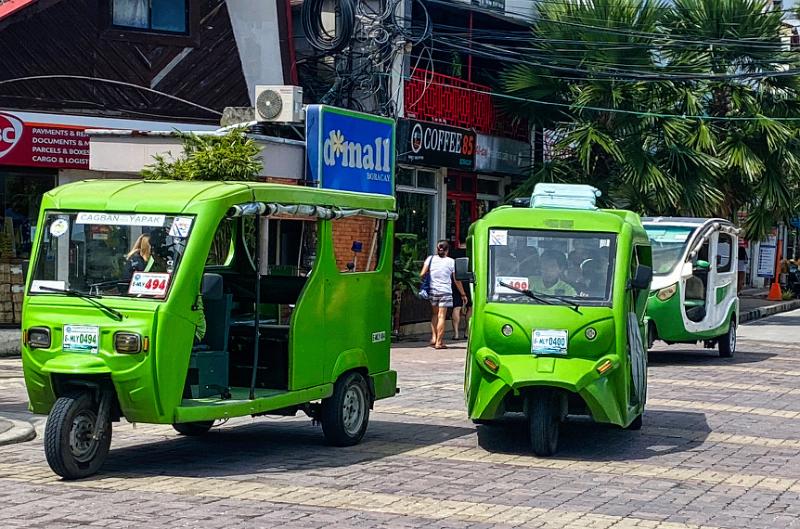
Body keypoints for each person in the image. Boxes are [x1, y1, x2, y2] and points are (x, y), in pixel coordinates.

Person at [421, 240, 467, 349]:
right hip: (445, 291)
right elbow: (456, 280)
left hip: (433, 290)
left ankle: (433, 337)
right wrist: (463, 294)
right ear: (447, 250)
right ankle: (439, 342)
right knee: (442, 316)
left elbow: (422, 273)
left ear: (438, 249)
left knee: (434, 314)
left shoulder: (430, 259)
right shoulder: (451, 262)